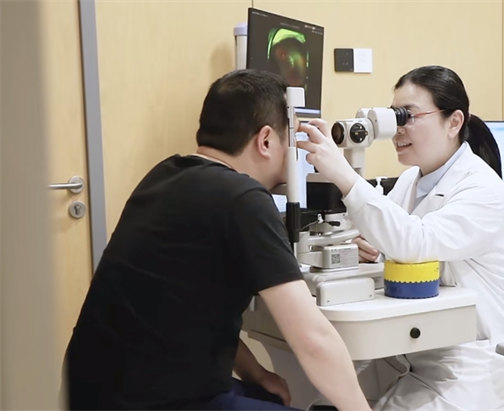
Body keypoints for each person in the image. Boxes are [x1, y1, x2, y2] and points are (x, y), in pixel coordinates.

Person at [63, 69, 370, 411]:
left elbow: (185, 311)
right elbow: (313, 339)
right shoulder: (243, 198)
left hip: (92, 392)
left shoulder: (165, 175)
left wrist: (255, 373)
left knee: (269, 393)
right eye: (290, 138)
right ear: (266, 140)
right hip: (157, 401)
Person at [297, 65, 504, 410]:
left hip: (478, 364)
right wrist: (372, 248)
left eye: (408, 116)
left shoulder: (484, 189)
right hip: (415, 352)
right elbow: (392, 239)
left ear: (454, 122)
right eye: (394, 116)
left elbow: (416, 242)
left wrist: (345, 175)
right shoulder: (411, 180)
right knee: (322, 398)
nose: (398, 129)